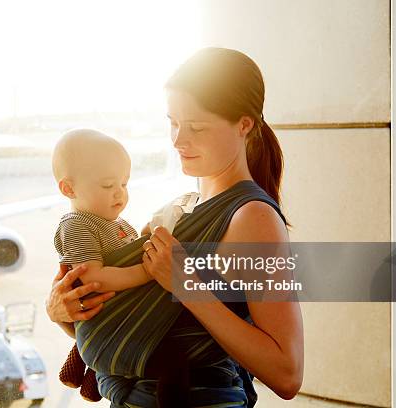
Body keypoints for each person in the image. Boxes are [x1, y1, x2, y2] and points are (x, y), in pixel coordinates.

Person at [46, 47, 304, 407]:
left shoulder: (252, 219)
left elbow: (287, 373)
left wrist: (186, 285)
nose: (178, 140)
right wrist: (64, 312)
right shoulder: (182, 209)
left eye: (196, 126)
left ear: (244, 125)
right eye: (173, 122)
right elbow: (140, 333)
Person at [51, 128, 192, 405]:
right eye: (107, 186)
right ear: (69, 188)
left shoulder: (116, 224)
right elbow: (94, 279)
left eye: (124, 184)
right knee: (174, 362)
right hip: (108, 322)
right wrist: (148, 270)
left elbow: (124, 254)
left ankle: (92, 377)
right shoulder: (77, 225)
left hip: (120, 316)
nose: (119, 194)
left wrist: (146, 234)